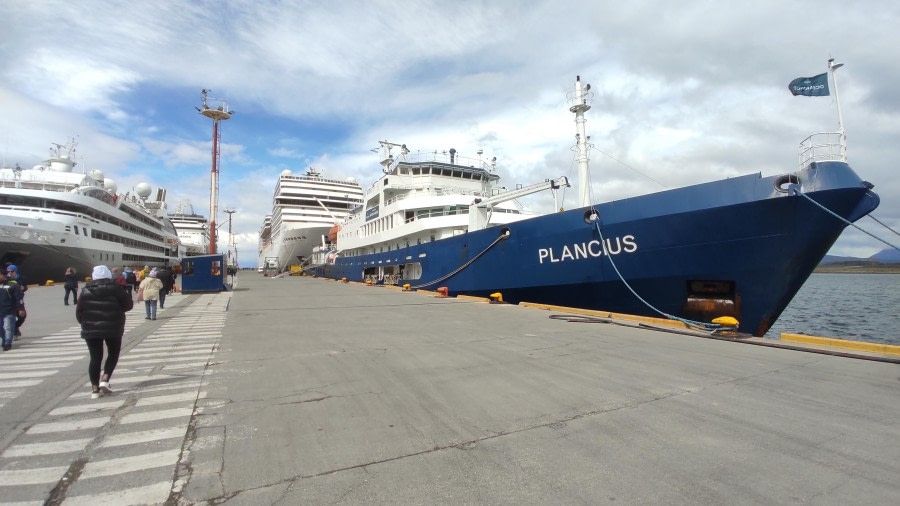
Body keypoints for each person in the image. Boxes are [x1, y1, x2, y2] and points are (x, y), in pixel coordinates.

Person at [76, 265, 133, 399]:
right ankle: (105, 379)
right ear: (108, 275)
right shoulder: (117, 289)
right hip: (113, 326)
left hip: (90, 328)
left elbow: (79, 312)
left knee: (95, 357)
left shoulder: (85, 291)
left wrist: (86, 324)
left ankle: (94, 390)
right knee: (113, 353)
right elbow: (128, 305)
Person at [0, 269, 25, 351]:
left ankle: (8, 343)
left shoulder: (13, 284)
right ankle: (4, 339)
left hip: (10, 309)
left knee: (8, 327)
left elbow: (19, 297)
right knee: (1, 327)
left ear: (3, 275)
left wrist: (21, 308)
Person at [5, 264, 27, 339]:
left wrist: (22, 289)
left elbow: (25, 287)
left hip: (19, 300)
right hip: (10, 302)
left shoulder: (21, 278)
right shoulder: (6, 280)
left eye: (12, 271)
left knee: (22, 317)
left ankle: (15, 327)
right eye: (8, 271)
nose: (10, 273)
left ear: (16, 271)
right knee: (11, 318)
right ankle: (13, 333)